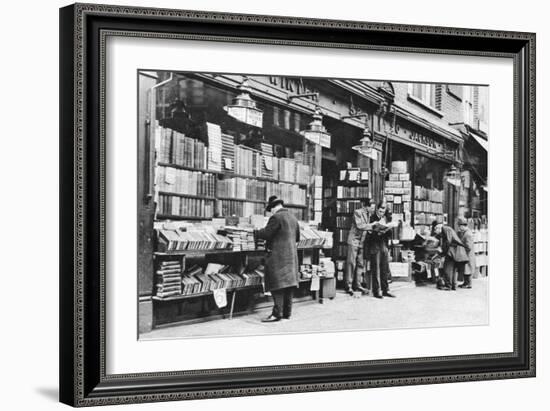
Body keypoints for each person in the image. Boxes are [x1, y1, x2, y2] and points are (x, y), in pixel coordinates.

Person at [254, 196, 300, 322]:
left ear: (274, 208)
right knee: (288, 285)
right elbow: (297, 238)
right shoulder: (293, 217)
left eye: (270, 210)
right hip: (291, 258)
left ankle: (276, 314)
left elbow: (266, 234)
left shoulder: (276, 217)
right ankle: (287, 313)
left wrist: (255, 232)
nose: (271, 212)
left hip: (278, 257)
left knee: (277, 285)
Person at [364, 202, 396, 299]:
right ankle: (376, 291)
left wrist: (386, 230)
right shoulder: (372, 218)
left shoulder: (386, 219)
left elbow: (390, 234)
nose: (381, 213)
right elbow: (368, 234)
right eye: (380, 211)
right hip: (375, 245)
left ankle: (385, 290)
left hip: (383, 245)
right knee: (376, 268)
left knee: (385, 268)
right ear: (377, 209)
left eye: (383, 211)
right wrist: (377, 232)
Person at [345, 198, 375, 295]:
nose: (373, 210)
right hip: (354, 241)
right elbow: (360, 226)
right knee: (351, 263)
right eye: (372, 208)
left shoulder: (368, 214)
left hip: (362, 242)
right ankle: (348, 285)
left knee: (360, 264)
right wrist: (372, 226)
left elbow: (365, 228)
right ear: (366, 207)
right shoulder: (357, 212)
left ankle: (357, 285)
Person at [431, 220, 470, 291]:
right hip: (455, 252)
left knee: (447, 269)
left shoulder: (445, 229)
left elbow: (448, 242)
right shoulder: (446, 229)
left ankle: (448, 286)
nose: (437, 233)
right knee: (453, 269)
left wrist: (441, 251)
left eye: (436, 231)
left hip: (453, 252)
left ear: (437, 228)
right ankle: (453, 286)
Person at [457, 217, 476, 288]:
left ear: (462, 226)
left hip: (468, 254)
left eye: (459, 226)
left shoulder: (467, 234)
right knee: (466, 269)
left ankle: (468, 284)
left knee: (468, 269)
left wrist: (462, 249)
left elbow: (469, 246)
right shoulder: (466, 232)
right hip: (468, 254)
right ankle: (466, 283)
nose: (459, 228)